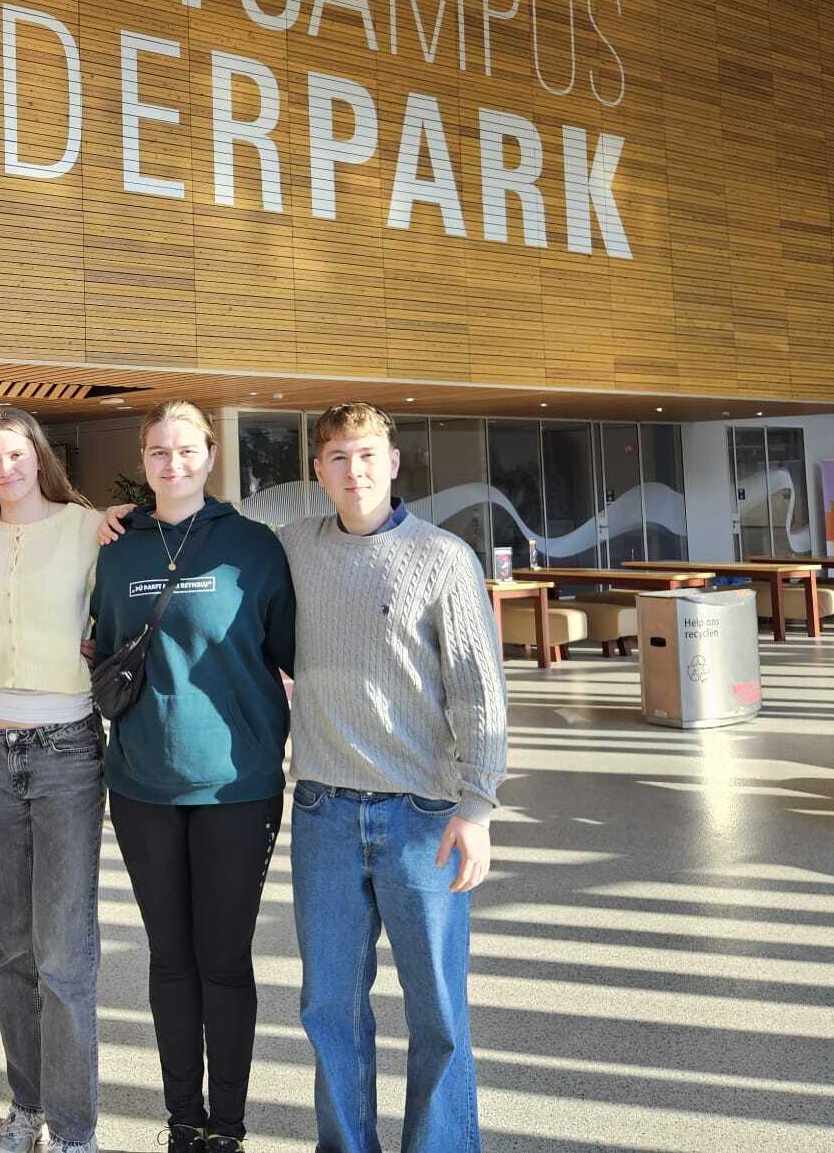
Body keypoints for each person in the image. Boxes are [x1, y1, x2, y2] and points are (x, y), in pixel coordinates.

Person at [281, 404, 507, 1153]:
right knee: (329, 1008)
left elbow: (478, 689)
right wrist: (110, 517)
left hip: (422, 816)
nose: (355, 471)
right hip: (322, 813)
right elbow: (206, 540)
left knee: (436, 1009)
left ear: (394, 461)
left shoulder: (443, 557)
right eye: (338, 457)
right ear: (318, 471)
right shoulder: (293, 549)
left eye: (368, 454)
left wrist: (476, 807)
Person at [91, 401, 294, 1153]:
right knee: (170, 958)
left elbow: (288, 652)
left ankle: (228, 1127)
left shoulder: (254, 548)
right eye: (157, 452)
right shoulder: (117, 550)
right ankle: (182, 1119)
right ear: (142, 461)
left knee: (224, 958)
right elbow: (110, 647)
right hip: (141, 783)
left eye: (185, 451)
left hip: (236, 787)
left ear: (209, 456)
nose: (171, 464)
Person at [0, 406, 108, 1153]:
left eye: (14, 455)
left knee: (64, 953)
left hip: (67, 753)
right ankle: (27, 1104)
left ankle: (75, 1129)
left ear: (38, 456)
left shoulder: (90, 529)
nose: (4, 470)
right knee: (12, 947)